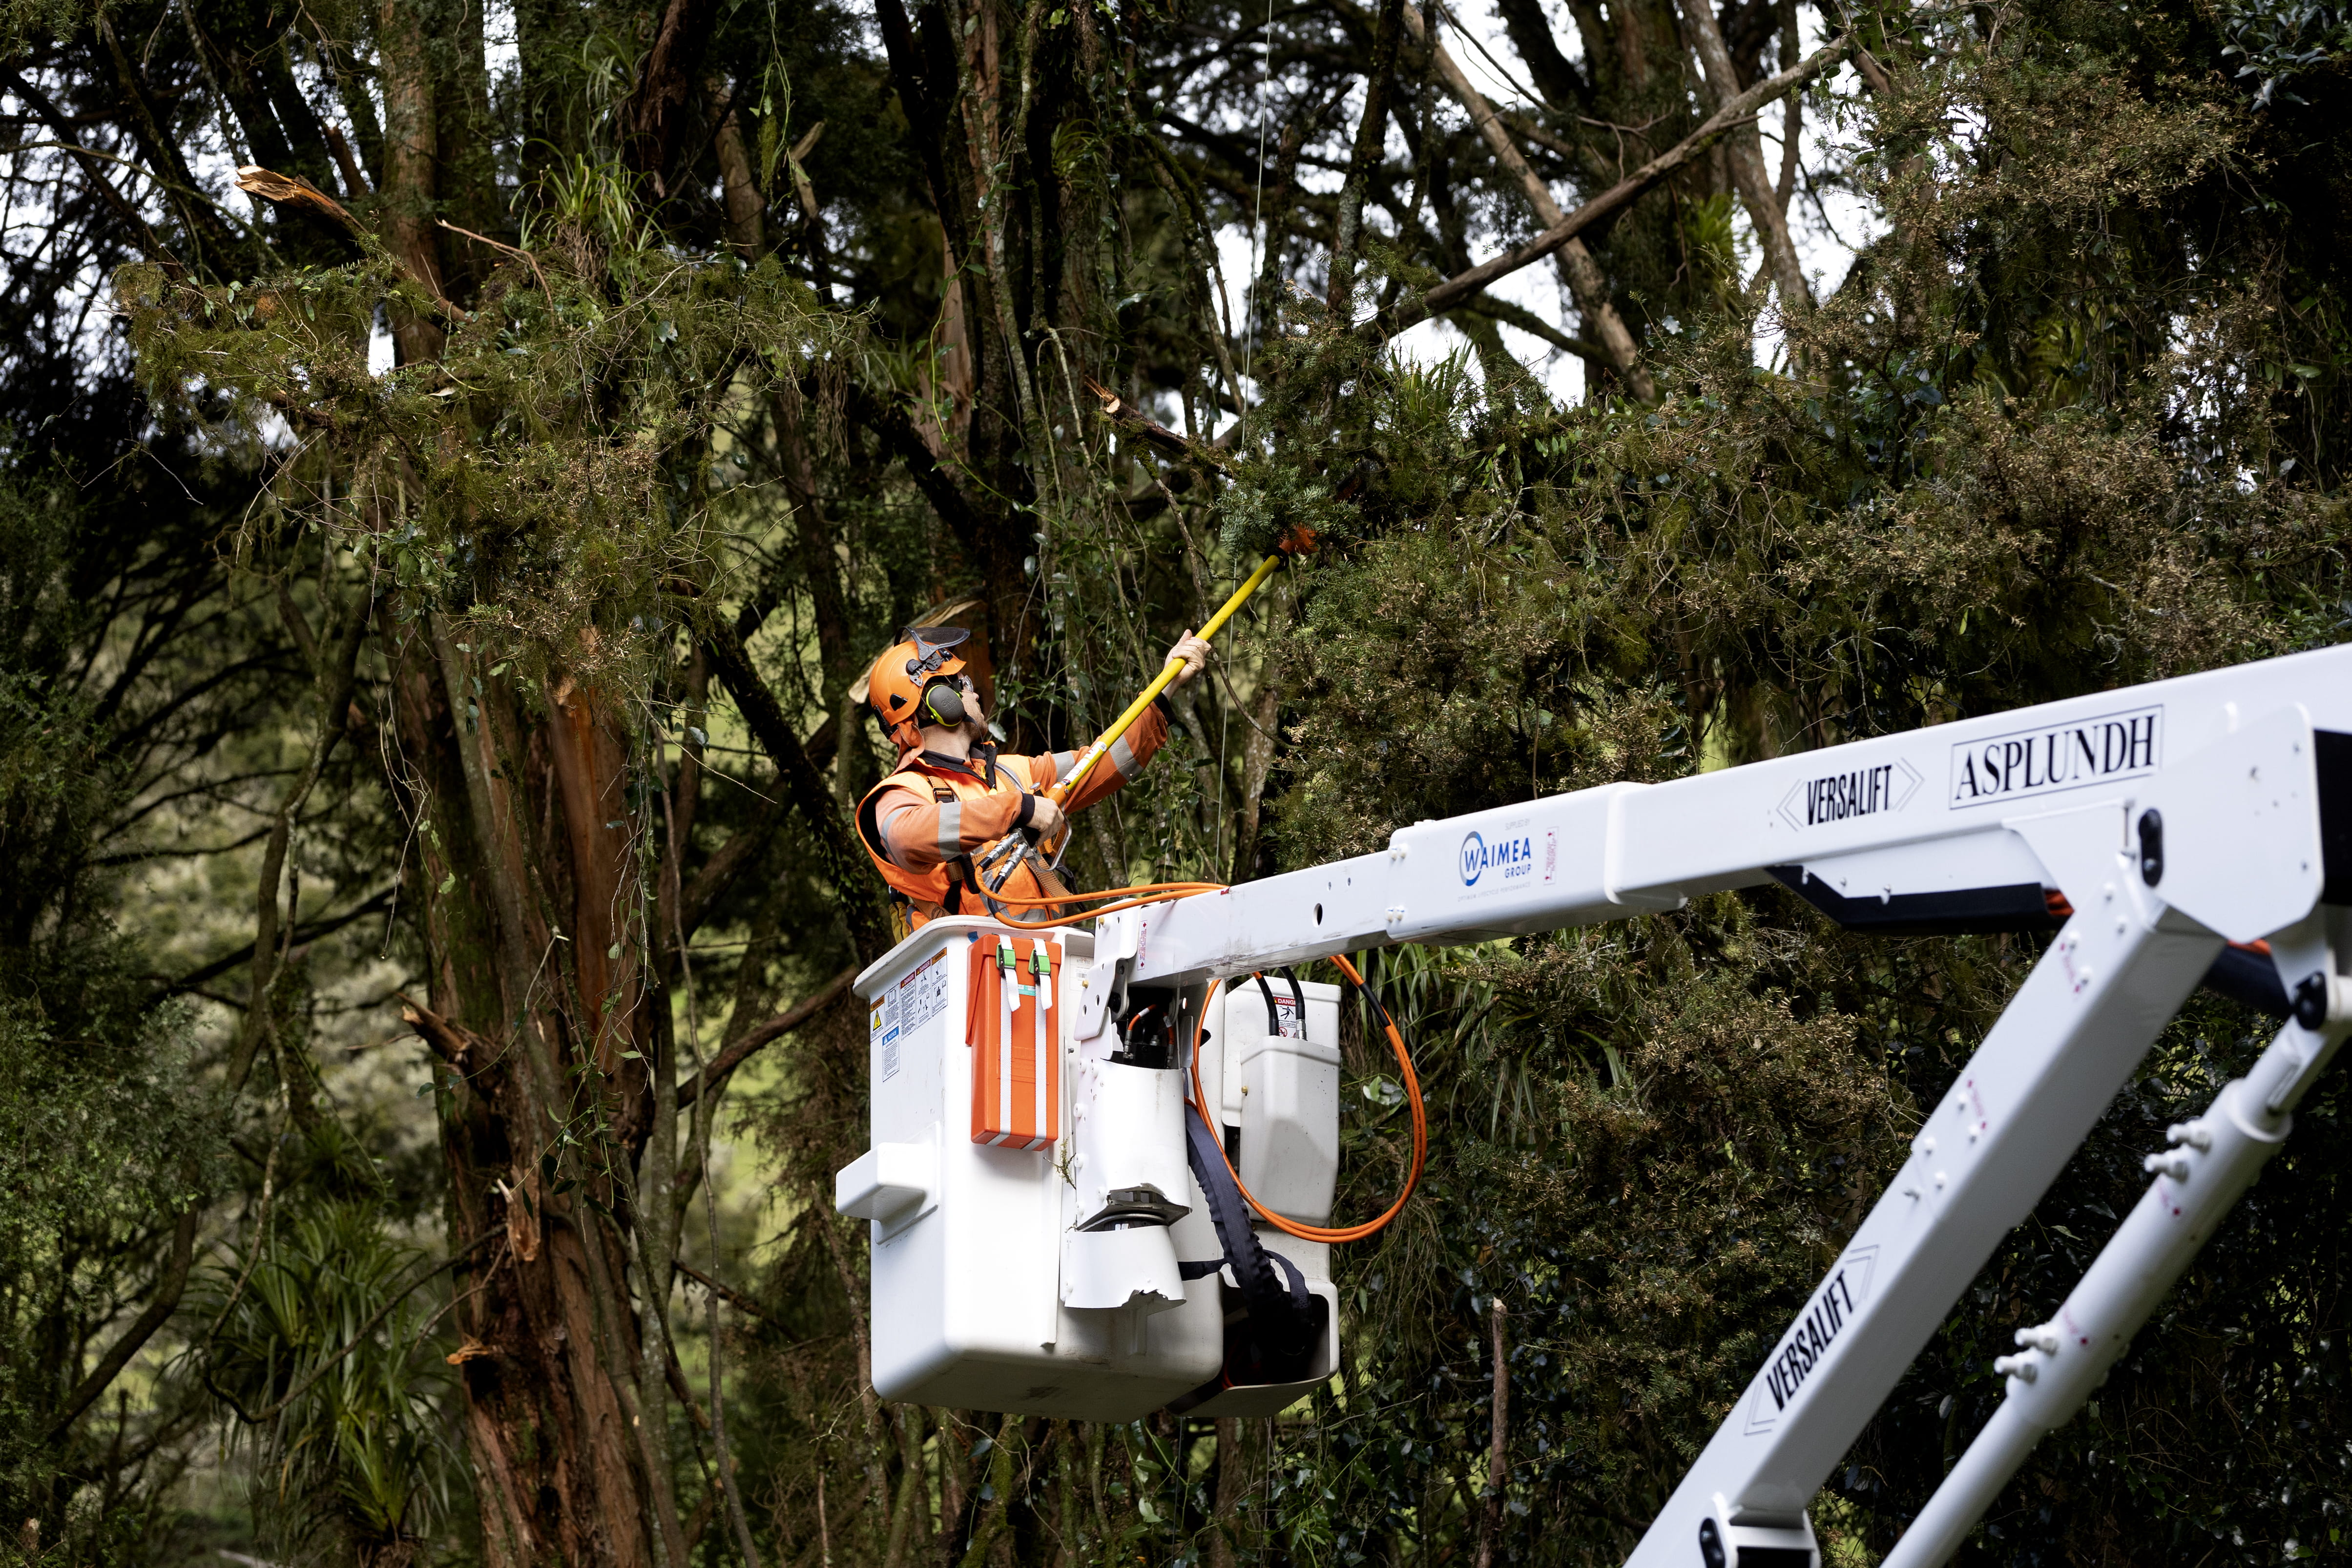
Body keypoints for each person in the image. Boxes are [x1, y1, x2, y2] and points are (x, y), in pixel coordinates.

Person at [854, 625, 1212, 934]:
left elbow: (1108, 761)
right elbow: (905, 836)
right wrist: (1019, 808)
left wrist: (1166, 688)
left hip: (1043, 965)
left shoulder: (1014, 772)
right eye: (963, 684)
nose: (975, 692)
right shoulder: (901, 791)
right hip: (973, 983)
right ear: (939, 700)